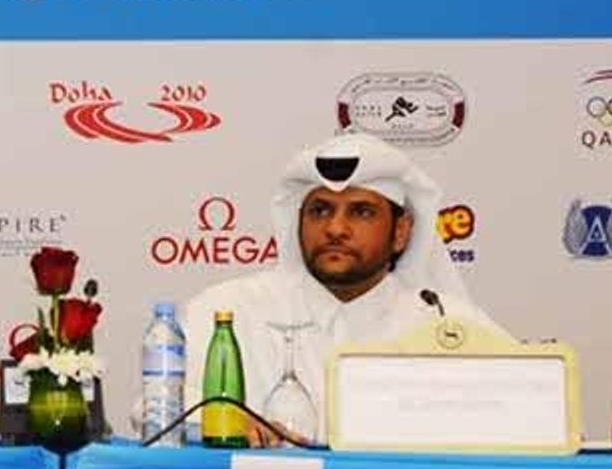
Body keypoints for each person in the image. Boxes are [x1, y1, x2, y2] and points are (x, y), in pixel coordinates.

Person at [181, 133, 504, 445]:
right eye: (320, 211)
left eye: (361, 212)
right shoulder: (228, 310)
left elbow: (520, 413)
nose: (335, 228)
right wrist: (220, 423)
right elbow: (163, 409)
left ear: (401, 232)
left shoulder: (448, 325)